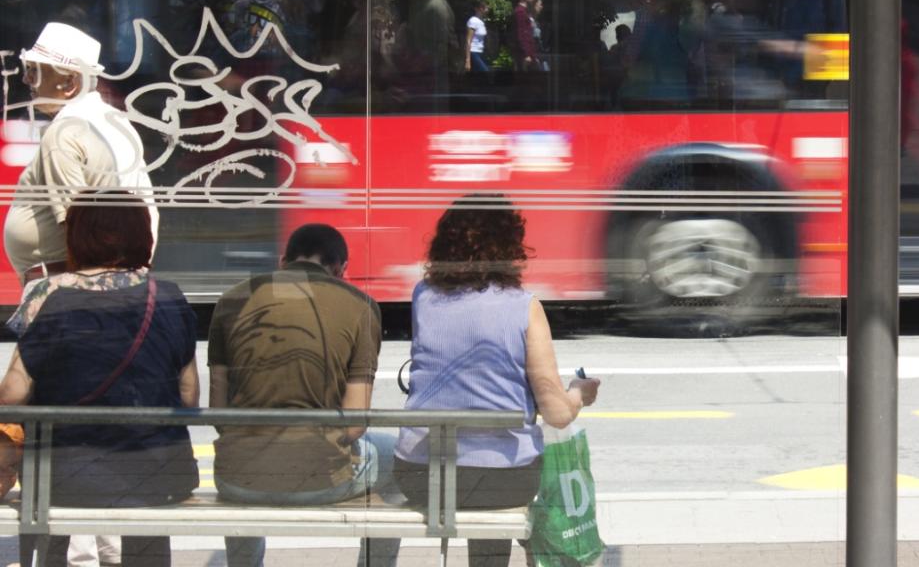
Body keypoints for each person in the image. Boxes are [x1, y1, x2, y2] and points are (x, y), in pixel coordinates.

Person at [393, 197, 602, 567]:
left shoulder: (422, 297)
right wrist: (578, 394)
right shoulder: (524, 307)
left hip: (421, 475)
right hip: (502, 479)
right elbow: (555, 413)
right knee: (498, 481)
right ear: (510, 249)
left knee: (482, 479)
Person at [0, 194, 200, 567]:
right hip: (157, 472)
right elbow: (189, 398)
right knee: (148, 536)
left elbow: (13, 393)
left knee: (53, 524)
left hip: (67, 473)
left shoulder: (47, 294)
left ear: (76, 236)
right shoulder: (169, 296)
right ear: (142, 235)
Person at [207, 223, 395, 567]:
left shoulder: (232, 300)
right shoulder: (361, 306)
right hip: (322, 480)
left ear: (283, 261)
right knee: (398, 456)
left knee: (244, 453)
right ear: (341, 270)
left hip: (236, 480)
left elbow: (219, 415)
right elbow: (355, 425)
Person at [5, 22, 159, 287]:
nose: (26, 79)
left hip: (66, 283)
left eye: (35, 71)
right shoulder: (112, 121)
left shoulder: (64, 132)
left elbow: (77, 226)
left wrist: (74, 296)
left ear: (69, 82)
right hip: (105, 279)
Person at [511, 0, 538, 71]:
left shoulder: (525, 11)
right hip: (524, 55)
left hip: (529, 53)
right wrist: (526, 54)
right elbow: (521, 34)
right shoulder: (520, 12)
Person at [464, 0, 490, 74]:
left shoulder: (481, 21)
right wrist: (467, 60)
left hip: (480, 52)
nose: (486, 9)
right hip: (473, 52)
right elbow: (468, 40)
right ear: (478, 9)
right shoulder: (473, 21)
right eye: (484, 7)